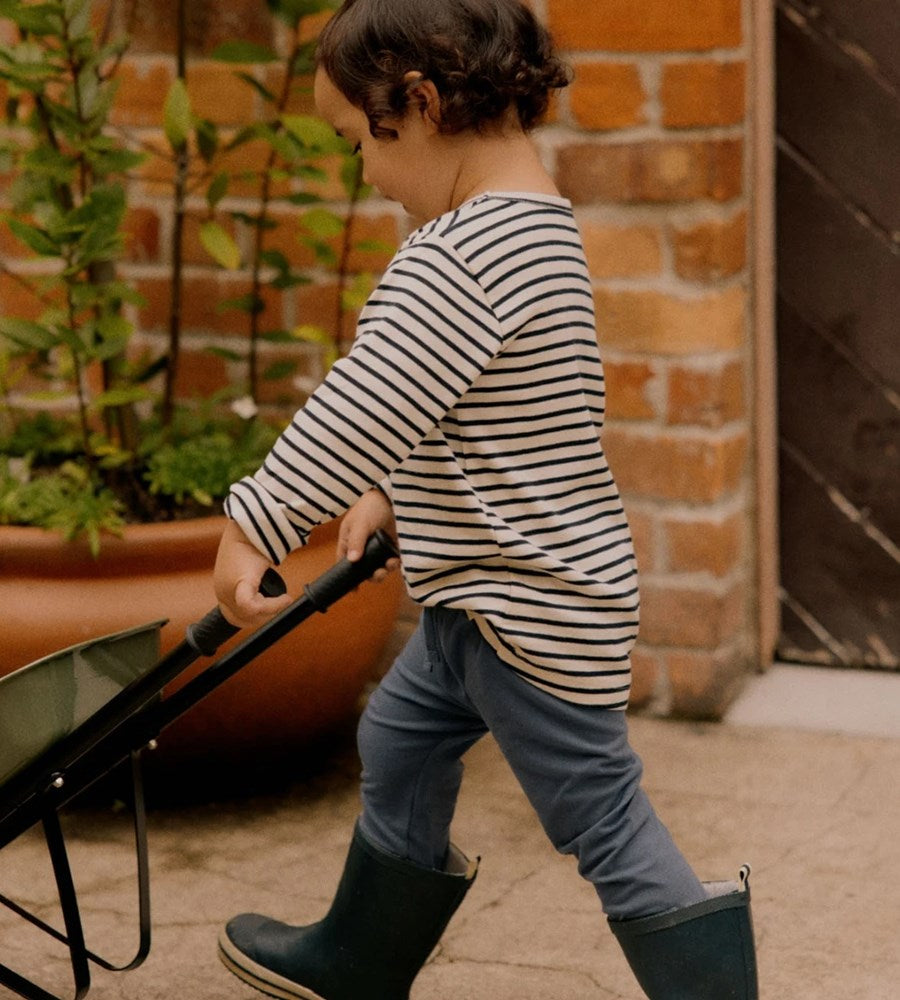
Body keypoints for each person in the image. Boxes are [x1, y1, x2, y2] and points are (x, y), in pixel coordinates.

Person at [213, 2, 758, 998]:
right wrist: (386, 487)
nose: (364, 173)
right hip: (487, 596)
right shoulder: (520, 228)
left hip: (528, 609)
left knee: (599, 816)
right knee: (399, 736)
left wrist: (261, 520)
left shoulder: (469, 252)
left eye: (357, 143)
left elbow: (368, 397)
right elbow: (444, 399)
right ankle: (361, 956)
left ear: (415, 105)